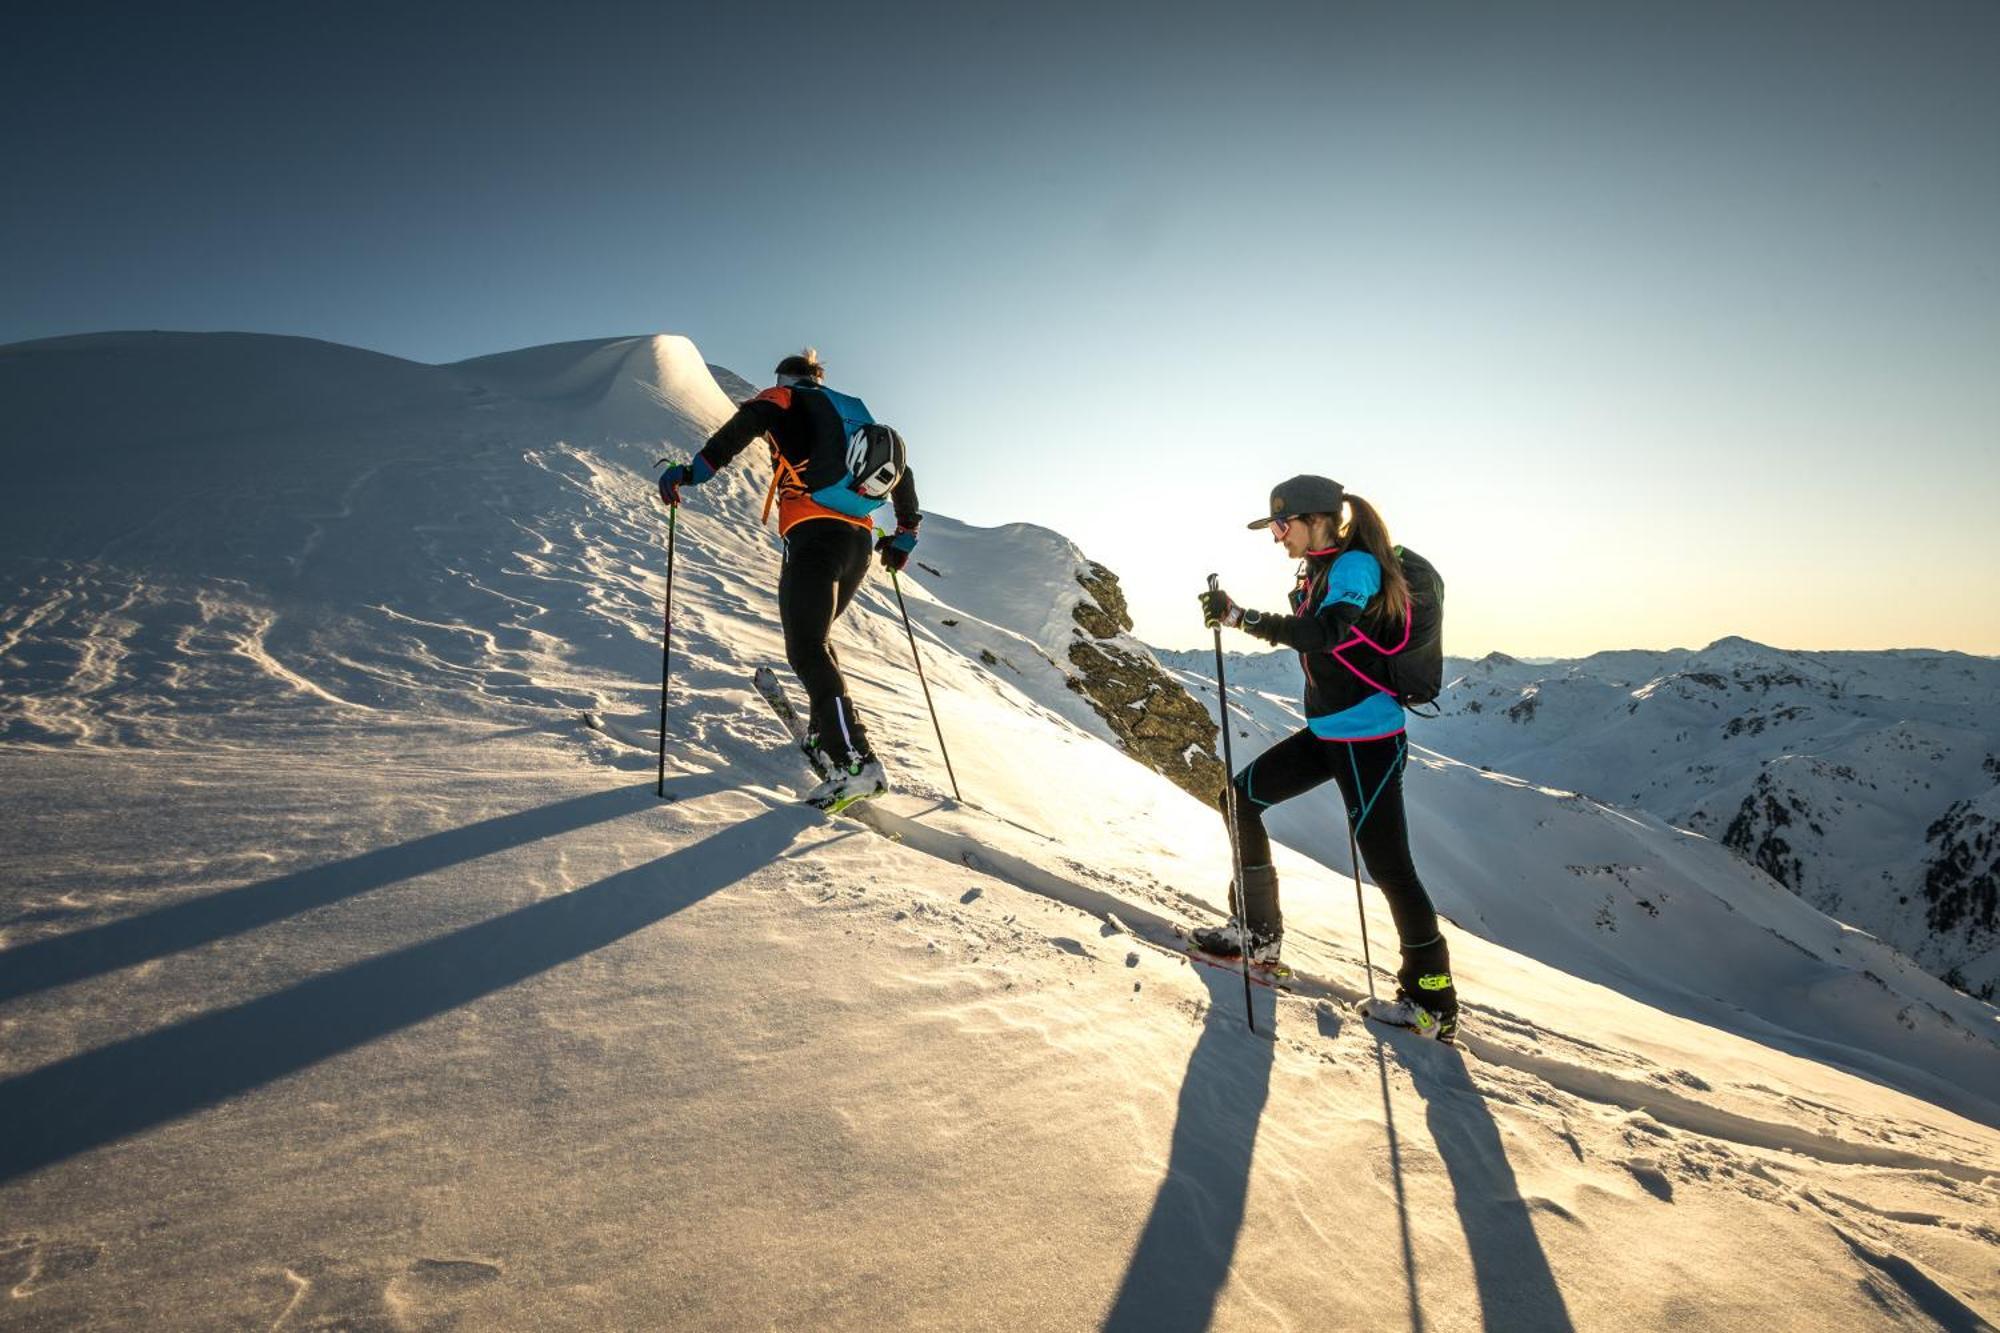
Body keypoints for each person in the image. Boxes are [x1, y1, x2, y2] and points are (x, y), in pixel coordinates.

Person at [1196, 474, 1458, 1042]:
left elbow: (1327, 633)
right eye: (1272, 526)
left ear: (1314, 518)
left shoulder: (1356, 567)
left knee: (1389, 866)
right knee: (1239, 799)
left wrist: (1243, 618)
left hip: (1368, 739)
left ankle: (1432, 998)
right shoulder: (1319, 569)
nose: (1275, 536)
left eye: (1280, 524)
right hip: (1329, 732)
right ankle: (1256, 934)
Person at [660, 349, 922, 807]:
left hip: (813, 536)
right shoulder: (853, 412)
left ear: (785, 376)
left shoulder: (782, 397)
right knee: (817, 639)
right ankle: (829, 739)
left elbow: (741, 429)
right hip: (857, 543)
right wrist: (905, 534)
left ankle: (854, 762)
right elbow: (900, 470)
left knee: (805, 647)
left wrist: (691, 474)